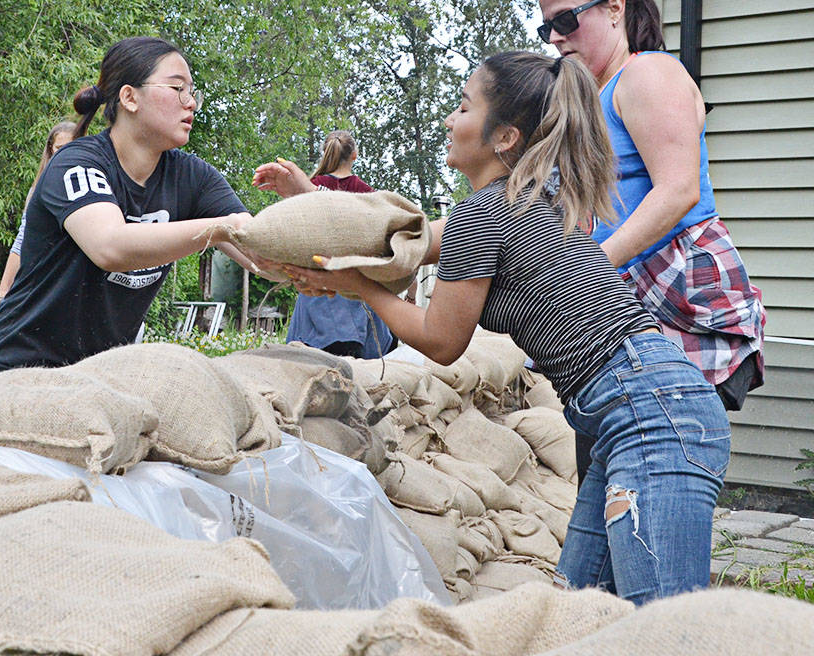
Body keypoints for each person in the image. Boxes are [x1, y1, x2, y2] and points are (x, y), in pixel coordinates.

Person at [273, 52, 729, 605]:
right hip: (638, 403)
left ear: (505, 136)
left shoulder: (484, 214)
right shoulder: (525, 201)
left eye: (463, 107)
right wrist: (310, 204)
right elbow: (397, 239)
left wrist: (361, 291)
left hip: (647, 411)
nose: (448, 120)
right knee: (577, 608)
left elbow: (443, 341)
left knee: (662, 627)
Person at [539, 0, 766, 484]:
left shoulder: (648, 73)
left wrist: (583, 273)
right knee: (608, 486)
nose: (554, 37)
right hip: (620, 311)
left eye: (566, 20)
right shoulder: (595, 97)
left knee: (650, 487)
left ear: (614, 8)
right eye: (545, 25)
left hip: (675, 303)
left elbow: (679, 189)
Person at [0, 36, 254, 374]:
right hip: (23, 367)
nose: (191, 104)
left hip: (102, 373)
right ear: (129, 97)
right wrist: (222, 228)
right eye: (177, 89)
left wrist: (314, 258)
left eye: (192, 92)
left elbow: (258, 251)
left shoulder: (193, 177)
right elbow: (110, 247)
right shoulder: (76, 163)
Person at [283, 130, 393, 358]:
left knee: (305, 357)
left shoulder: (311, 186)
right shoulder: (366, 193)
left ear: (326, 153)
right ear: (355, 155)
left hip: (317, 284)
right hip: (354, 283)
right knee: (367, 362)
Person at [0, 120, 77, 304]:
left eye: (72, 147)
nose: (66, 154)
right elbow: (23, 239)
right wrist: (4, 290)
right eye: (60, 148)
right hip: (39, 283)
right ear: (51, 150)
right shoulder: (39, 190)